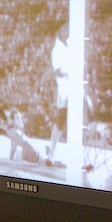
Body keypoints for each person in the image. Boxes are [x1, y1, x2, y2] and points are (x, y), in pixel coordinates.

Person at [46, 22, 69, 166]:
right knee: (60, 122)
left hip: (76, 89)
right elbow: (58, 72)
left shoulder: (71, 44)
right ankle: (50, 155)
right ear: (58, 31)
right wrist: (71, 72)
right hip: (65, 90)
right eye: (64, 29)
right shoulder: (57, 50)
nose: (66, 31)